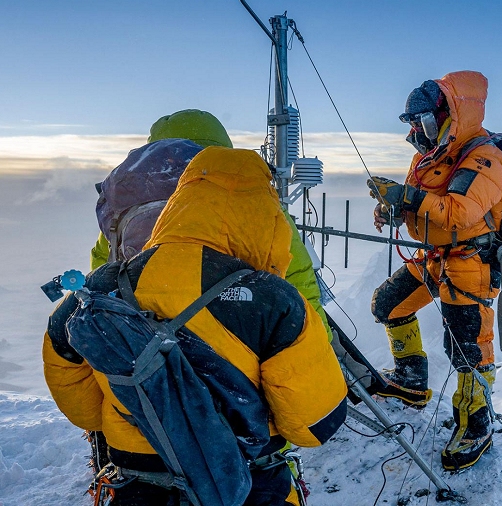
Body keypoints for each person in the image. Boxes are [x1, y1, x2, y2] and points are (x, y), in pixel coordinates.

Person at [43, 147, 348, 505]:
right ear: (264, 218)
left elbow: (84, 410)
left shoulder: (99, 290)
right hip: (249, 488)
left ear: (177, 207)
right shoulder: (275, 302)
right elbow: (314, 425)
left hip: (139, 491)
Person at [366, 70, 502, 471]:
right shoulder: (431, 155)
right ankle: (411, 380)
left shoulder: (485, 159)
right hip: (436, 257)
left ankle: (476, 425)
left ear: (449, 114)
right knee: (388, 303)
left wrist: (407, 195)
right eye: (413, 123)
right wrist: (393, 208)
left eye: (424, 122)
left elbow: (461, 211)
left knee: (467, 349)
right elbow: (424, 204)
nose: (417, 131)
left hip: (471, 263)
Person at [89, 108, 332, 342]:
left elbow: (102, 273)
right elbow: (297, 278)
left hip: (142, 341)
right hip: (237, 338)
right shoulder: (254, 201)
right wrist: (322, 339)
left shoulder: (123, 207)